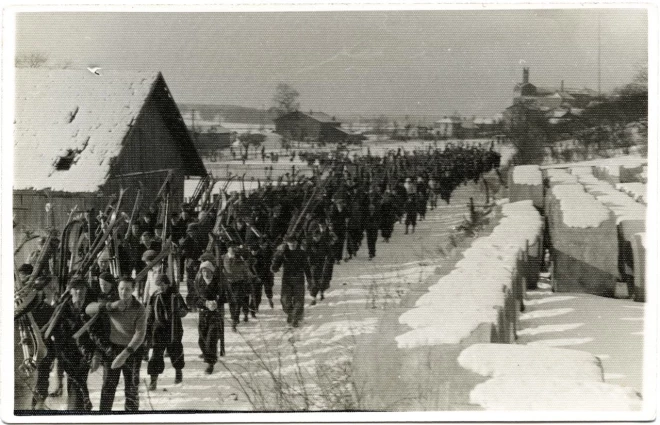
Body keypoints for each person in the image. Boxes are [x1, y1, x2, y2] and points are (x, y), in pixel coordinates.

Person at [86, 278, 147, 412]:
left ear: (133, 290)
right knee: (108, 386)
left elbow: (140, 334)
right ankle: (104, 417)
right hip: (113, 349)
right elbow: (88, 309)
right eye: (121, 289)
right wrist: (110, 306)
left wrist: (125, 354)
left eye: (127, 289)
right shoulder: (112, 303)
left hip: (132, 351)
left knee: (131, 387)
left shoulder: (139, 308)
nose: (124, 292)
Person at [50, 278, 95, 412]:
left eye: (82, 288)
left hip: (86, 353)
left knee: (78, 380)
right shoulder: (62, 309)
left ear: (86, 290)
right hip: (67, 353)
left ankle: (77, 409)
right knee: (75, 381)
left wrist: (92, 353)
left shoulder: (92, 308)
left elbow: (98, 331)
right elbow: (56, 332)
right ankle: (79, 408)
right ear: (70, 291)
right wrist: (62, 354)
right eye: (75, 288)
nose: (79, 291)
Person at [146, 274, 187, 390]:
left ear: (168, 284)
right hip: (158, 330)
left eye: (163, 285)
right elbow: (149, 312)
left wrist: (178, 312)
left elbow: (184, 310)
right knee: (156, 355)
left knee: (176, 351)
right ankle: (153, 380)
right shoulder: (155, 295)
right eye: (159, 285)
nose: (161, 288)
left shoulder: (175, 295)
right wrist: (149, 326)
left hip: (174, 329)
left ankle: (178, 371)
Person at [271, 235, 311, 327]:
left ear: (296, 243)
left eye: (293, 242)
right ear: (287, 243)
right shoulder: (283, 252)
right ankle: (291, 313)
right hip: (287, 279)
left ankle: (295, 318)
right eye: (290, 243)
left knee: (299, 301)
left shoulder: (302, 253)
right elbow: (276, 264)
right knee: (284, 300)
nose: (292, 244)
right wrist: (274, 266)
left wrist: (309, 280)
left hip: (299, 279)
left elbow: (307, 267)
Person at [194, 261, 226, 374]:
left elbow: (225, 297)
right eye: (203, 271)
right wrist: (205, 303)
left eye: (208, 271)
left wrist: (217, 302)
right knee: (202, 340)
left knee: (211, 338)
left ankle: (210, 363)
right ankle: (207, 353)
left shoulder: (218, 283)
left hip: (215, 315)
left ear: (212, 272)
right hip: (203, 315)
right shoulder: (199, 283)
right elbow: (194, 300)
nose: (206, 274)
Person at [222, 243, 252, 331]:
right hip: (229, 284)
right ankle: (234, 317)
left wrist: (248, 280)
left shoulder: (240, 258)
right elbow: (220, 270)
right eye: (231, 248)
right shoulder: (223, 258)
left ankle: (235, 321)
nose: (233, 249)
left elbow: (245, 269)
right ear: (228, 249)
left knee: (237, 301)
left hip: (240, 282)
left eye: (234, 248)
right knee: (231, 302)